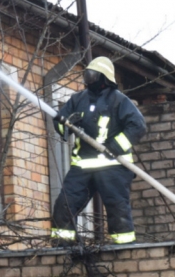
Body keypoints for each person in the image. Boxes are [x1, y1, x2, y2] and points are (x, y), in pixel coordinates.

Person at [50, 56, 146, 246]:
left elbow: (138, 126)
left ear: (105, 78)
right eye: (87, 75)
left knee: (117, 208)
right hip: (82, 166)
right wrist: (69, 124)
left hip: (113, 166)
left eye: (94, 75)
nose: (89, 79)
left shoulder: (119, 100)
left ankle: (125, 248)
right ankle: (63, 248)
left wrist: (115, 147)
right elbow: (59, 122)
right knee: (65, 205)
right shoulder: (77, 99)